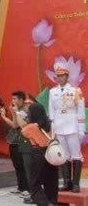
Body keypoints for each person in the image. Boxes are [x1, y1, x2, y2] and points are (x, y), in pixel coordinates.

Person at [48, 64, 85, 192]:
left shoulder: (76, 91)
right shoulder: (53, 92)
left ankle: (75, 184)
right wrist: (53, 128)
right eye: (58, 76)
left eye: (62, 75)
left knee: (76, 155)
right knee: (64, 155)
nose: (60, 78)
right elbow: (51, 110)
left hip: (73, 125)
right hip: (59, 126)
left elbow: (80, 110)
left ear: (67, 76)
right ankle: (67, 182)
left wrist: (81, 128)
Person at [21, 102, 59, 206]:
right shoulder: (52, 124)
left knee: (35, 184)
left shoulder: (31, 127)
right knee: (51, 182)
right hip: (52, 154)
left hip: (38, 154)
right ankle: (52, 202)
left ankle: (44, 203)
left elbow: (23, 131)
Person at [0, 91, 29, 196]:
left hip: (22, 140)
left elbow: (16, 126)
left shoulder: (25, 110)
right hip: (14, 141)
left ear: (21, 100)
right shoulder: (17, 110)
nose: (13, 101)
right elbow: (14, 124)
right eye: (13, 99)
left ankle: (27, 188)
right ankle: (21, 187)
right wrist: (4, 116)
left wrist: (13, 114)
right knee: (17, 165)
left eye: (15, 99)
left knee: (23, 165)